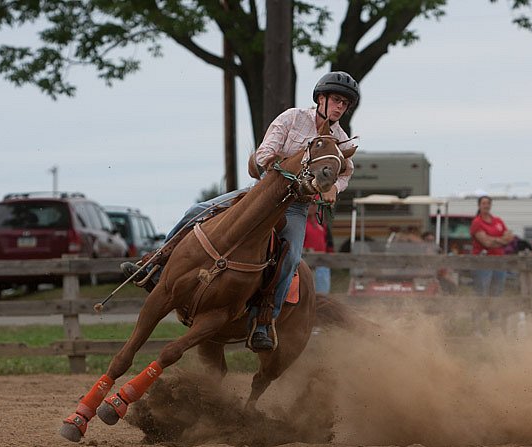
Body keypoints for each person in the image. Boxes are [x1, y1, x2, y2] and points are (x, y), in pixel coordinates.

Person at [122, 71, 359, 351]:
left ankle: (264, 319)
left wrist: (335, 189)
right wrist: (282, 164)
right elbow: (263, 154)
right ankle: (155, 266)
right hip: (261, 193)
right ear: (321, 98)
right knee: (197, 210)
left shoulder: (341, 141)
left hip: (295, 207)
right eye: (335, 100)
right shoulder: (292, 118)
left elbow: (346, 171)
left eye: (344, 103)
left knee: (292, 257)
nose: (339, 106)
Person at [470, 195, 514, 297]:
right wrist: (502, 240)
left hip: (499, 260)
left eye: (488, 203)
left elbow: (509, 237)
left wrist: (492, 239)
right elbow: (486, 243)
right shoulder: (477, 222)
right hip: (482, 261)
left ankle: (494, 313)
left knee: (497, 291)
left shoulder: (498, 220)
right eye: (484, 203)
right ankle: (479, 312)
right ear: (479, 205)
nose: (486, 205)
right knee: (482, 291)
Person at [303, 203, 334, 294]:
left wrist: (330, 256)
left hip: (322, 261)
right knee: (308, 291)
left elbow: (328, 242)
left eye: (314, 205)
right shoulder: (302, 224)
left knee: (322, 292)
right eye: (310, 205)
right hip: (307, 262)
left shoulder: (322, 224)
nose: (312, 207)